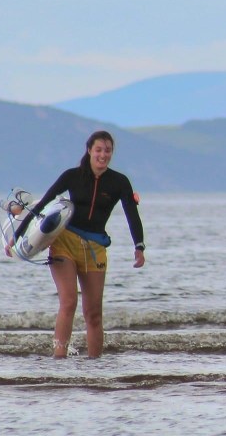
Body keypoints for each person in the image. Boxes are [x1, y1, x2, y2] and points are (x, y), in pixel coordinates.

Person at [10, 130, 146, 358]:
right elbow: (43, 205)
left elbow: (132, 214)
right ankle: (59, 359)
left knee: (93, 313)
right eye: (99, 150)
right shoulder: (72, 176)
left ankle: (96, 365)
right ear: (90, 151)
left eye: (108, 150)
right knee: (69, 302)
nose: (103, 155)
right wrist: (17, 238)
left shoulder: (119, 182)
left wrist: (139, 246)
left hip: (95, 248)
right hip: (65, 242)